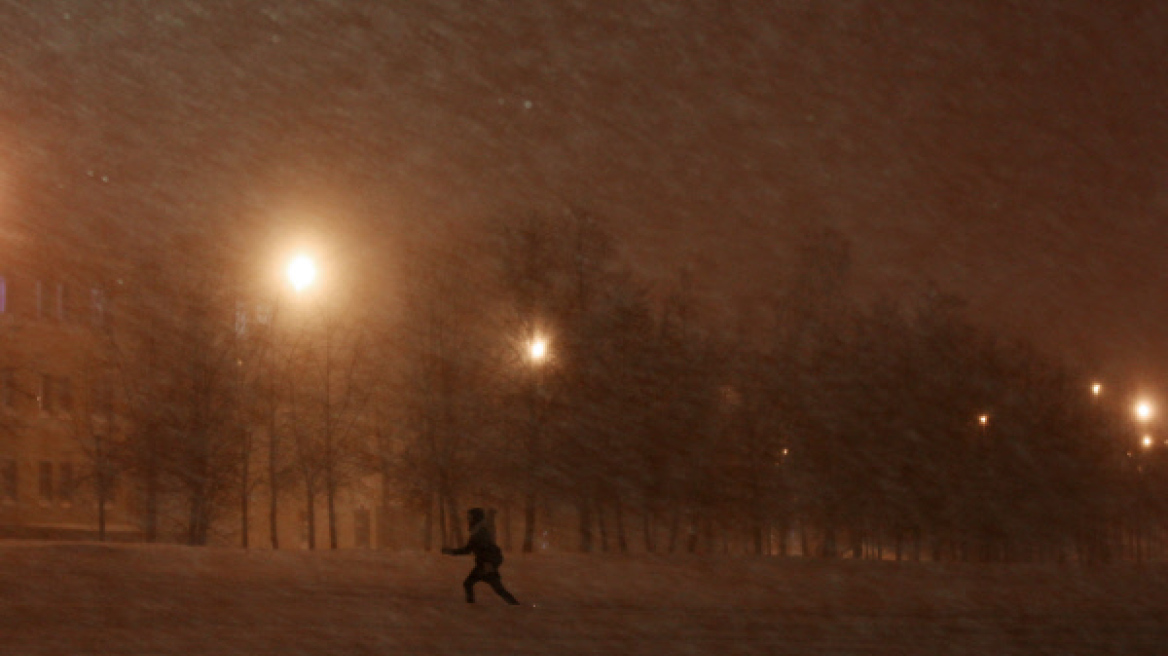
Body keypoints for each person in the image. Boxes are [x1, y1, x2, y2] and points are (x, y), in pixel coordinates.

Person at [442, 507, 521, 605]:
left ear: (475, 518)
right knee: (492, 588)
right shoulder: (478, 531)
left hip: (485, 566)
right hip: (484, 565)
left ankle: (471, 606)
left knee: (472, 584)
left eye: (470, 517)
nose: (468, 519)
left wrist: (489, 564)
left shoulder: (480, 533)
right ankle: (514, 604)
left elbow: (482, 550)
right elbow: (471, 549)